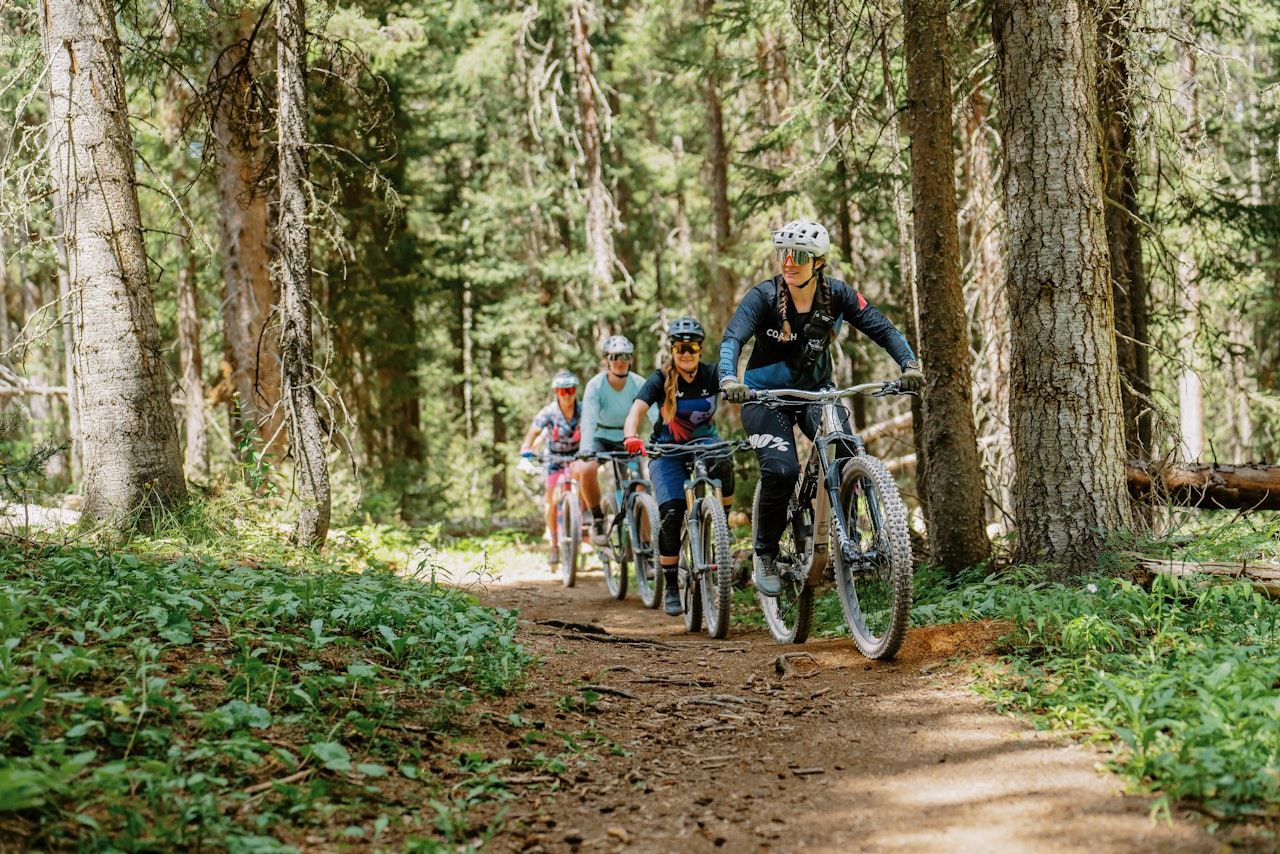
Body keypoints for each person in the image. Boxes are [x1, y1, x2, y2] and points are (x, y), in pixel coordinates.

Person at [717, 219, 924, 597]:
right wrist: (730, 379)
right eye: (782, 253)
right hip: (764, 398)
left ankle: (850, 538)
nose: (788, 262)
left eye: (798, 256)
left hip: (818, 393)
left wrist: (909, 364)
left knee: (846, 451)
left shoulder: (838, 295)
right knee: (782, 471)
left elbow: (882, 329)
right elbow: (733, 339)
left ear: (818, 262)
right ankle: (765, 554)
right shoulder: (763, 297)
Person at [623, 317, 735, 617]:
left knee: (725, 458)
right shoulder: (660, 379)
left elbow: (737, 396)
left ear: (700, 349)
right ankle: (672, 585)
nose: (686, 353)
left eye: (692, 347)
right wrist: (631, 436)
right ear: (672, 350)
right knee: (672, 514)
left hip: (705, 444)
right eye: (679, 348)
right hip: (667, 451)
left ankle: (722, 523)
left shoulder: (712, 373)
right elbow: (636, 411)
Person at [579, 335, 654, 543]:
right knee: (586, 469)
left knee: (641, 487)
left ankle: (646, 546)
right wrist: (585, 448)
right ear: (606, 360)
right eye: (614, 357)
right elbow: (588, 420)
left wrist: (663, 440)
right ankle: (598, 519)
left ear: (631, 359)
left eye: (625, 356)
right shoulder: (596, 385)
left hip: (628, 439)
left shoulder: (639, 383)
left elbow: (655, 413)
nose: (619, 361)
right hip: (601, 437)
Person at [520, 370, 584, 568]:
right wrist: (526, 448)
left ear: (575, 390)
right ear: (556, 392)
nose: (567, 395)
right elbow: (534, 431)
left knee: (584, 487)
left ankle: (584, 532)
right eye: (562, 391)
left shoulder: (583, 410)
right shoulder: (549, 412)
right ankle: (554, 543)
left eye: (570, 390)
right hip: (554, 459)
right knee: (551, 499)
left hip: (576, 457)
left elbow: (595, 429)